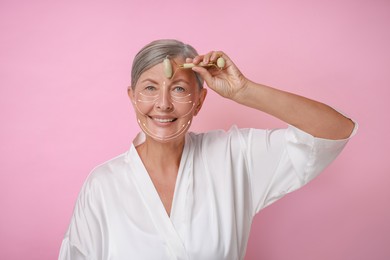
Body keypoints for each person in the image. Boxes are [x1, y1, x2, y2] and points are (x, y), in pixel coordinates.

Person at [59, 39, 357, 260]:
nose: (163, 103)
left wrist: (244, 91)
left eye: (178, 89)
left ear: (200, 101)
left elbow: (334, 131)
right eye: (150, 88)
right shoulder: (102, 185)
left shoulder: (234, 158)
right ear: (132, 97)